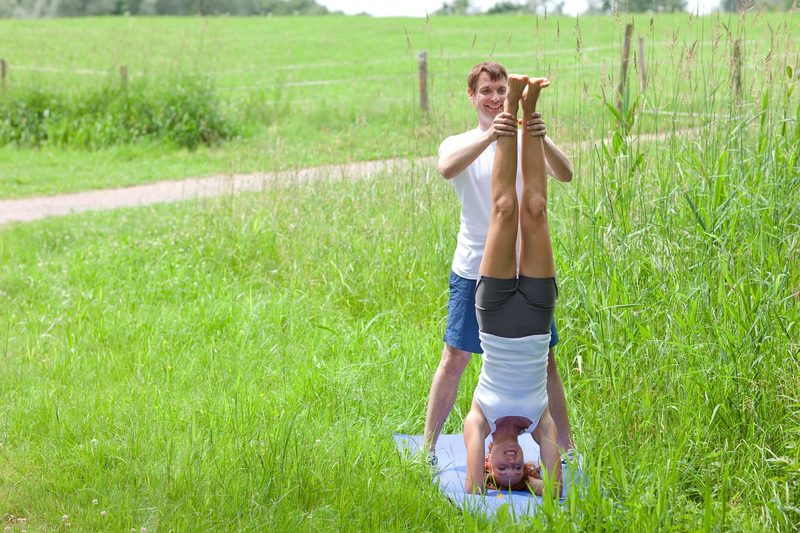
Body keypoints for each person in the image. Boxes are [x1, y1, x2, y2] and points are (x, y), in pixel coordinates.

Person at [424, 61, 574, 464]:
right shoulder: (458, 141)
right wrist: (495, 133)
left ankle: (569, 448)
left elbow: (566, 174)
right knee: (455, 357)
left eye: (501, 91)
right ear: (472, 96)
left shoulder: (524, 140)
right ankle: (428, 448)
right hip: (473, 269)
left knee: (546, 360)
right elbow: (446, 168)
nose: (494, 97)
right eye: (487, 91)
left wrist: (538, 137)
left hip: (529, 271)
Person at [464, 74, 560, 495]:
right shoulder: (540, 424)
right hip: (538, 314)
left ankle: (509, 111)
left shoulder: (479, 419)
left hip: (497, 312)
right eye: (515, 471)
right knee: (535, 209)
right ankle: (531, 110)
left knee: (504, 210)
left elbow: (473, 490)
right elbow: (555, 491)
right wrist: (533, 485)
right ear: (527, 464)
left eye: (499, 471)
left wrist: (485, 483)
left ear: (486, 460)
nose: (508, 466)